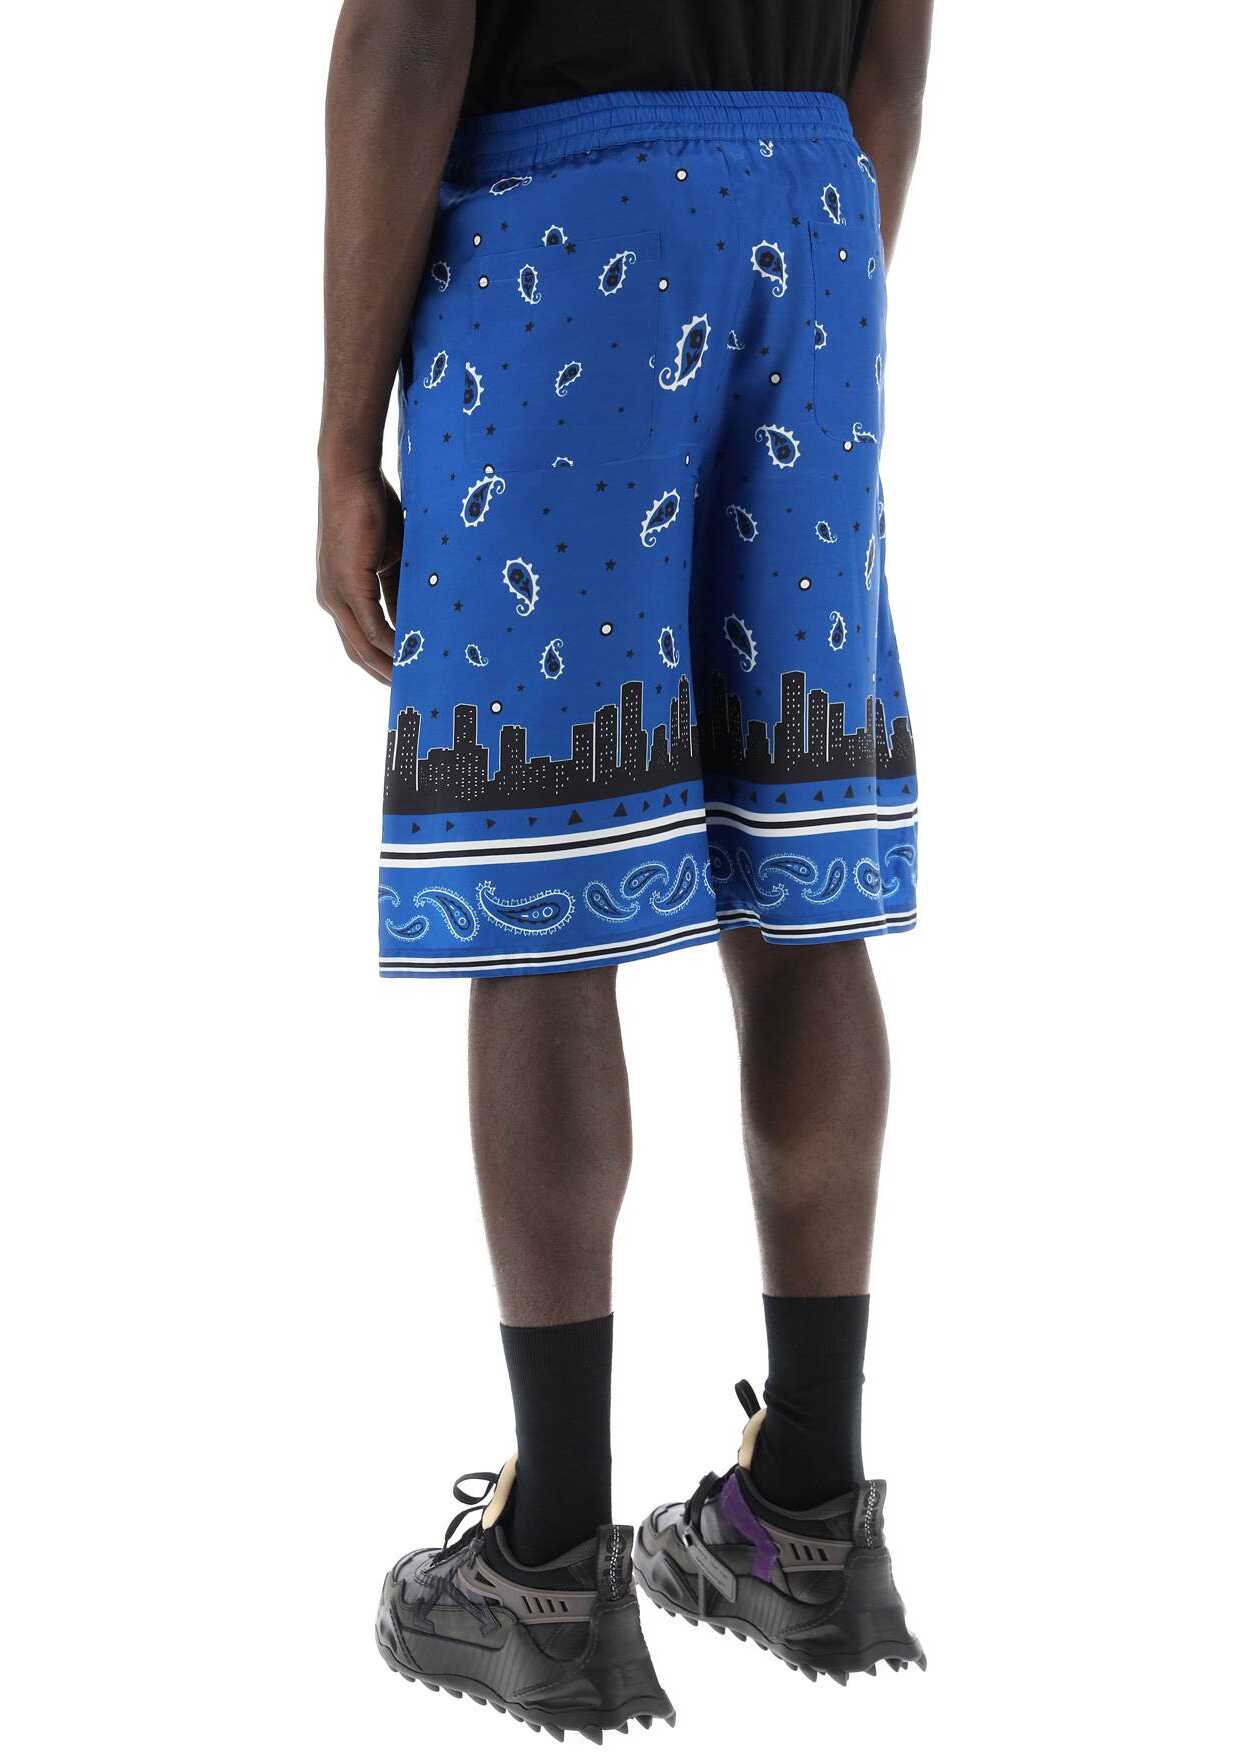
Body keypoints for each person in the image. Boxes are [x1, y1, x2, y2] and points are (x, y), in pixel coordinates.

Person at [318, 0, 933, 1733]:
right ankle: (807, 1510)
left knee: (539, 882)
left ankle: (549, 1561)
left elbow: (406, 39)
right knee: (795, 869)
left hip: (566, 231)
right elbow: (899, 41)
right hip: (813, 218)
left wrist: (338, 445)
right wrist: (810, 269)